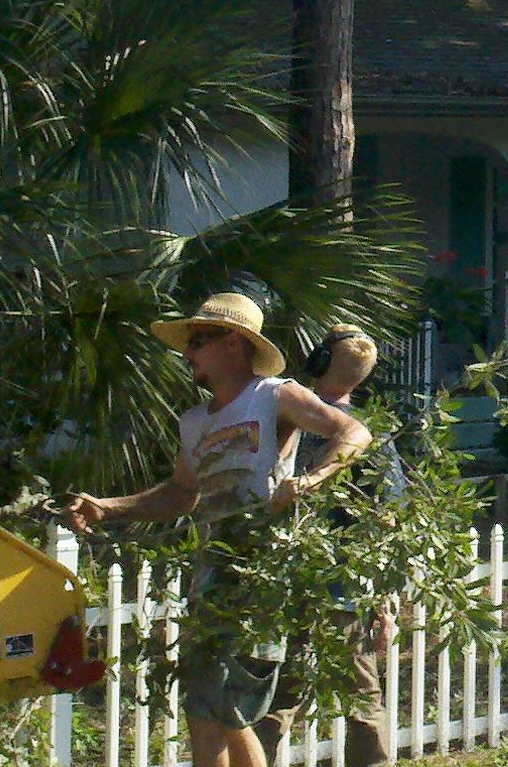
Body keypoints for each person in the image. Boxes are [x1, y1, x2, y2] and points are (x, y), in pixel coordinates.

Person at [63, 292, 371, 767]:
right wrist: (107, 507)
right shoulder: (194, 423)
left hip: (262, 579)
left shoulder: (274, 396)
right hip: (212, 581)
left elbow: (353, 434)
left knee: (231, 706)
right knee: (201, 706)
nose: (188, 353)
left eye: (198, 340)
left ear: (234, 342)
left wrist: (308, 481)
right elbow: (181, 495)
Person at [253, 328, 399, 767]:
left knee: (279, 692)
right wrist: (383, 596)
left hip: (290, 576)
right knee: (361, 697)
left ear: (319, 362)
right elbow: (388, 516)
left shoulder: (287, 420)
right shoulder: (370, 437)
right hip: (343, 585)